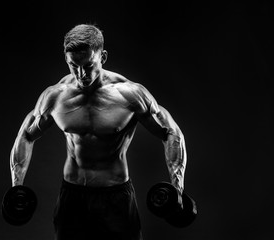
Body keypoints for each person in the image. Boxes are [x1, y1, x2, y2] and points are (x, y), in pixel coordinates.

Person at [9, 24, 187, 240]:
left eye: (88, 65)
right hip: (72, 198)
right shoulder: (55, 97)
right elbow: (26, 135)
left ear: (102, 57)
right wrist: (16, 188)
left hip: (116, 198)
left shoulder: (130, 94)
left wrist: (177, 187)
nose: (81, 74)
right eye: (73, 65)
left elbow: (171, 132)